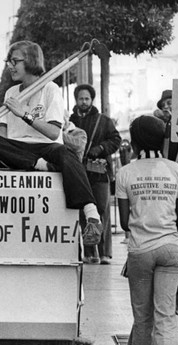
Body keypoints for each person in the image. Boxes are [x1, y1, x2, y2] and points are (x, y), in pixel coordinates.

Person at [0, 40, 102, 247]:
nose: (10, 65)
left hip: (46, 146)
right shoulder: (11, 93)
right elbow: (5, 136)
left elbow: (53, 133)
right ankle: (38, 165)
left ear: (31, 61)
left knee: (66, 154)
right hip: (17, 149)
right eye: (8, 61)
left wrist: (23, 114)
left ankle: (92, 216)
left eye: (15, 61)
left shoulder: (50, 89)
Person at [116, 115, 178, 345]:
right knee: (167, 318)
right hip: (171, 250)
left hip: (140, 252)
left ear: (133, 143)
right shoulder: (177, 171)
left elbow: (123, 221)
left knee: (143, 318)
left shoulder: (125, 173)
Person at [70, 84, 122, 265]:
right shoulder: (70, 122)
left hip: (99, 173)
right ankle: (90, 253)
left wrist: (100, 148)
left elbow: (116, 140)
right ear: (75, 100)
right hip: (78, 172)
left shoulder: (104, 121)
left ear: (92, 100)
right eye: (80, 98)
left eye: (87, 98)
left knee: (102, 210)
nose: (84, 102)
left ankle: (105, 253)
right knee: (83, 213)